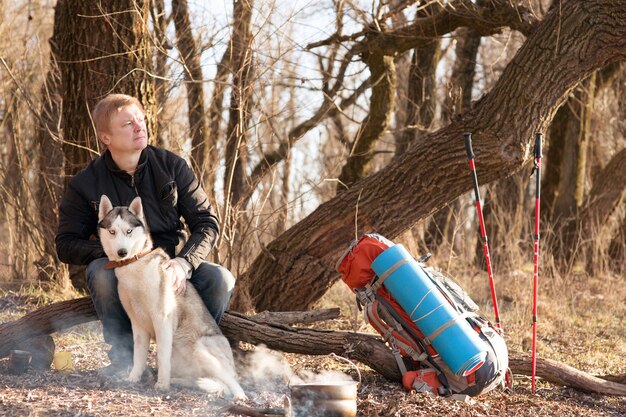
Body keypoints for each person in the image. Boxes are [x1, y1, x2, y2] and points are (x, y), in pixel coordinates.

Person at [55, 93, 235, 375]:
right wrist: (117, 252)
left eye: (140, 119)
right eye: (128, 123)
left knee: (219, 278)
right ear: (106, 138)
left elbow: (207, 222)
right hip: (120, 270)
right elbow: (65, 245)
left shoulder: (173, 166)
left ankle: (182, 361)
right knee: (101, 273)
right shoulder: (85, 183)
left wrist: (184, 262)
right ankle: (125, 363)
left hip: (170, 268)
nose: (139, 126)